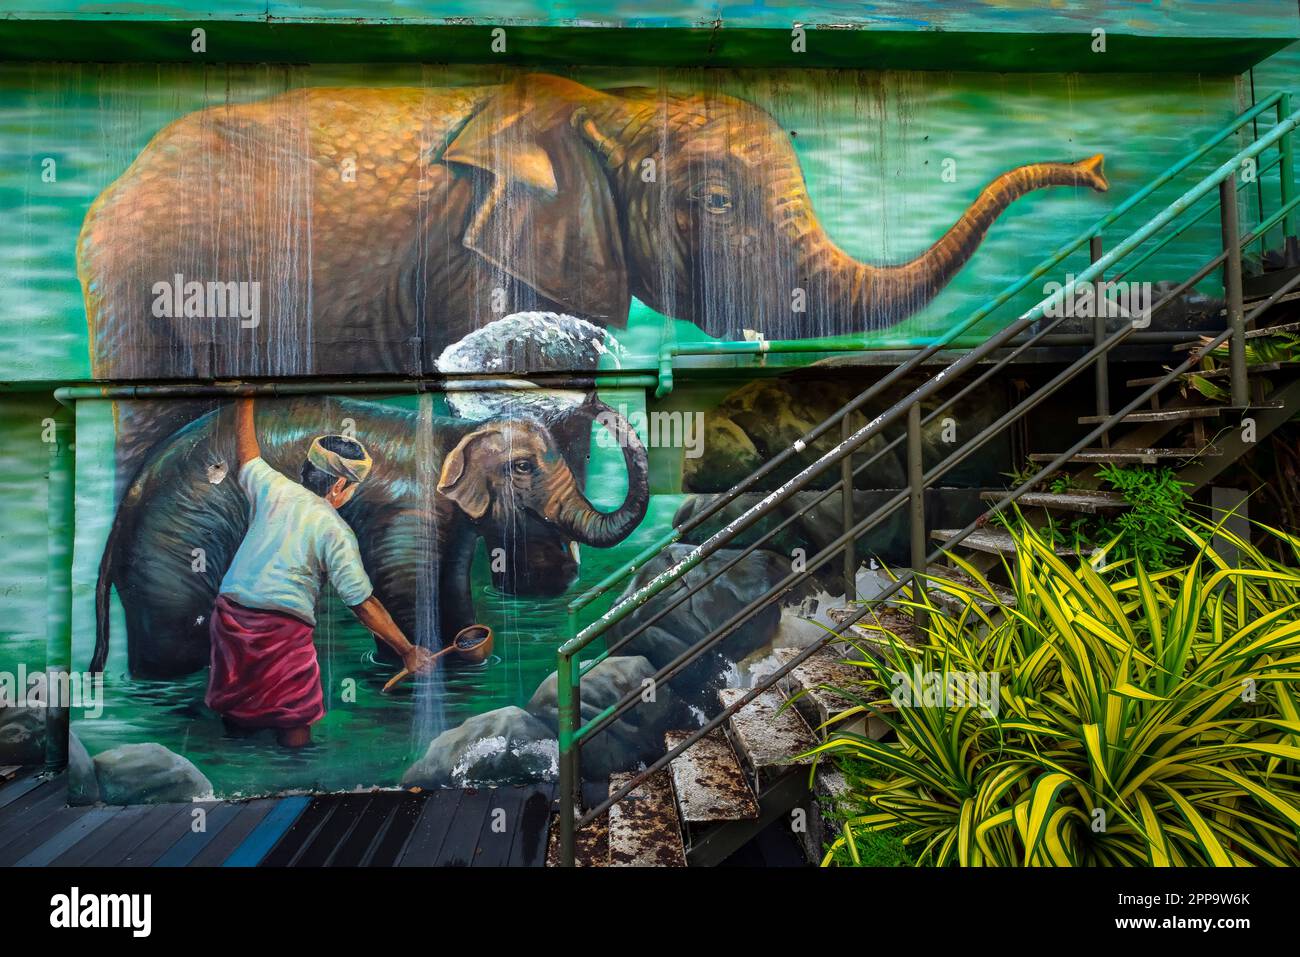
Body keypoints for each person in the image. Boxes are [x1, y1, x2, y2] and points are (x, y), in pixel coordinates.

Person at [205, 396, 435, 747]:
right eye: (353, 487)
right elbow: (362, 603)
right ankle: (298, 773)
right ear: (340, 486)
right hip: (281, 628)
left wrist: (246, 400)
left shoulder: (273, 487)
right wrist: (406, 650)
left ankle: (240, 768)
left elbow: (248, 452)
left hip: (230, 616)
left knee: (238, 709)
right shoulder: (335, 530)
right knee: (295, 719)